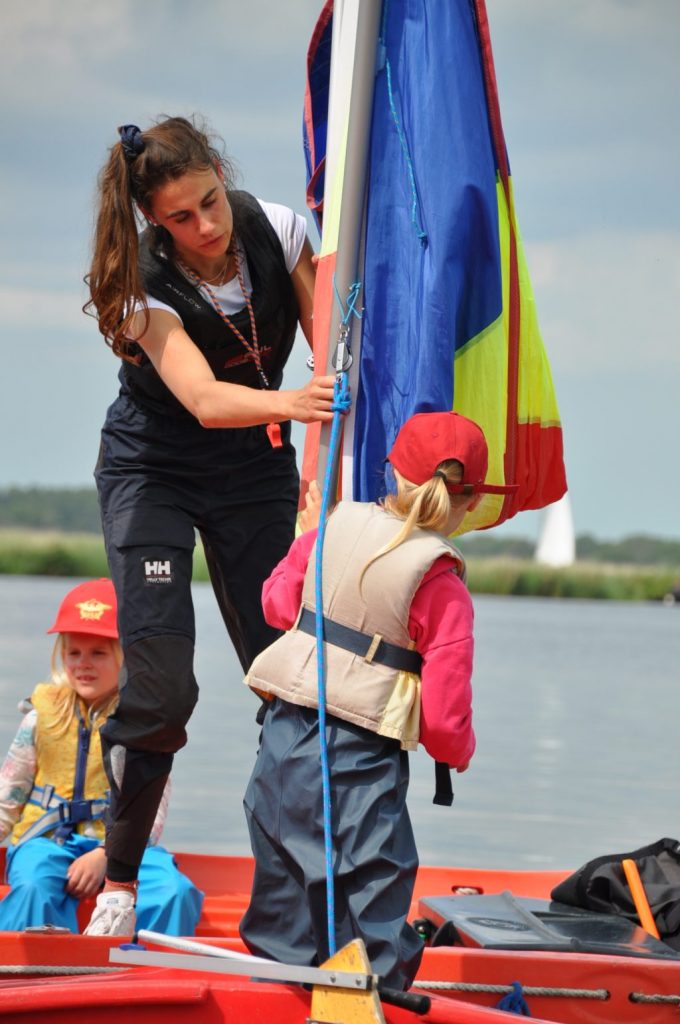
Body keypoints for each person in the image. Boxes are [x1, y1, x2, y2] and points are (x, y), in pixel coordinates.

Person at [84, 115, 337, 933]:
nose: (203, 228)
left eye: (206, 203)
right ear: (155, 222)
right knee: (162, 685)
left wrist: (325, 418)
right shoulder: (139, 285)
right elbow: (200, 397)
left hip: (250, 470)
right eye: (179, 219)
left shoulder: (282, 228)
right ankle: (119, 884)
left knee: (290, 673)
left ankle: (298, 879)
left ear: (220, 174)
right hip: (152, 470)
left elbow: (327, 340)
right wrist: (296, 402)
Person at [239, 411, 517, 989]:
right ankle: (375, 996)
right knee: (372, 885)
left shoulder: (329, 529)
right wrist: (459, 751)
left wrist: (306, 540)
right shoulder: (440, 582)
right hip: (359, 755)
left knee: (283, 882)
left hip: (283, 736)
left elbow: (274, 606)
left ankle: (278, 992)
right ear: (467, 504)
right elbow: (443, 720)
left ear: (391, 473)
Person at [0, 579, 203, 936]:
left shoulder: (141, 724)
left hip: (123, 849)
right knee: (33, 886)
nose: (84, 665)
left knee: (175, 891)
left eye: (99, 653)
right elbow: (8, 797)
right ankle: (33, 975)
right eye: (74, 653)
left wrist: (107, 856)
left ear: (125, 655)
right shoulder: (38, 718)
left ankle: (147, 977)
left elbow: (152, 811)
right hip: (47, 843)